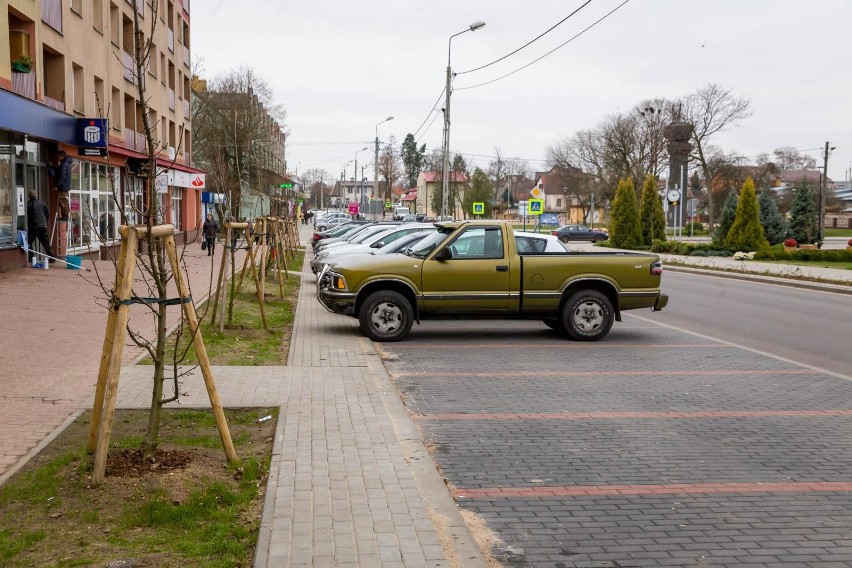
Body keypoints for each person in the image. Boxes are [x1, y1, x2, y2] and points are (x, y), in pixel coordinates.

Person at [26, 190, 56, 263]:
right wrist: (44, 222)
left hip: (34, 227)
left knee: (28, 242)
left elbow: (27, 217)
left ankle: (31, 258)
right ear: (36, 195)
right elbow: (47, 213)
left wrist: (29, 225)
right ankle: (52, 258)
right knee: (46, 243)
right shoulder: (42, 203)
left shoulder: (28, 204)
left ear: (29, 196)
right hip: (43, 226)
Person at [51, 150, 73, 220]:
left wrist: (57, 186)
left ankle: (65, 217)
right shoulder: (66, 164)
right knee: (63, 202)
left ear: (62, 156)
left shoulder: (64, 164)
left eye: (58, 156)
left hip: (62, 187)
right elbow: (59, 171)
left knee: (63, 202)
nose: (57, 158)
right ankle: (64, 216)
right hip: (64, 187)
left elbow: (62, 176)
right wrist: (53, 166)